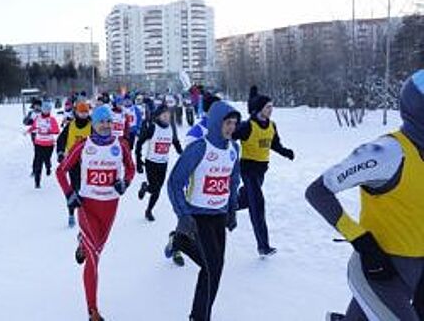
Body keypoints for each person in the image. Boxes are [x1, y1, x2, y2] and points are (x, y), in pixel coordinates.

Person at [306, 70, 424, 321]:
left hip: (416, 271)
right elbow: (317, 192)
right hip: (378, 270)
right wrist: (362, 242)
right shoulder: (388, 152)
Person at [56, 105, 135, 321]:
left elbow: (131, 168)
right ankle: (92, 310)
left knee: (97, 249)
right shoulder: (84, 145)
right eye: (101, 121)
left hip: (110, 207)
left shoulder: (121, 145)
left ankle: (82, 242)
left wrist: (125, 183)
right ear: (94, 123)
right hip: (87, 206)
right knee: (94, 257)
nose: (105, 125)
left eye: (108, 121)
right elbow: (61, 170)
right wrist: (70, 194)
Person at [164, 100, 240, 321]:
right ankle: (199, 317)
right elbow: (174, 182)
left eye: (234, 124)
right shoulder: (199, 148)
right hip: (198, 216)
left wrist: (232, 210)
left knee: (215, 266)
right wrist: (184, 214)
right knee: (212, 269)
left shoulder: (234, 149)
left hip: (218, 215)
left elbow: (233, 181)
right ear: (216, 122)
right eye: (227, 123)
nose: (231, 128)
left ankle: (180, 242)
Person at [233, 93, 294, 256]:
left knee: (246, 200)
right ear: (260, 108)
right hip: (248, 170)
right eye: (268, 106)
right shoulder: (248, 126)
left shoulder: (272, 125)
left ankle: (225, 211)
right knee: (257, 206)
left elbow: (274, 144)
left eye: (271, 106)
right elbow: (230, 135)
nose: (271, 109)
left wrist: (286, 152)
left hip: (261, 171)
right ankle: (263, 246)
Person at [135, 104, 183, 221]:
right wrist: (138, 161)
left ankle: (148, 210)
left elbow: (176, 143)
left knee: (157, 190)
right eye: (164, 115)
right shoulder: (153, 128)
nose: (167, 117)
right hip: (151, 162)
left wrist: (183, 155)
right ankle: (147, 190)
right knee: (155, 188)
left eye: (168, 115)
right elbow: (139, 142)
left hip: (163, 163)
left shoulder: (171, 129)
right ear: (158, 116)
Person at [56, 101, 92, 227]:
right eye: (81, 112)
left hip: (89, 162)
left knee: (87, 189)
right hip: (73, 161)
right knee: (75, 188)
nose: (83, 115)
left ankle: (86, 213)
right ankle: (71, 212)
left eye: (85, 112)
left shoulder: (92, 125)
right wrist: (60, 152)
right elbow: (61, 139)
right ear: (76, 112)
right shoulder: (70, 125)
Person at [26, 101, 60, 188]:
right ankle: (37, 183)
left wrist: (49, 131)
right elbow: (34, 127)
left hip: (49, 144)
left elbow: (57, 131)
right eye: (44, 109)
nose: (46, 111)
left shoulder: (52, 120)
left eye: (48, 109)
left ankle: (48, 167)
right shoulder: (38, 118)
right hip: (38, 143)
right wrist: (28, 131)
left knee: (46, 159)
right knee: (38, 162)